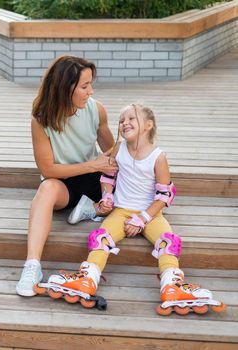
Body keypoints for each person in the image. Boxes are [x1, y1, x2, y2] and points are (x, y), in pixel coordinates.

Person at [38, 104, 226, 315]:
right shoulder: (118, 149)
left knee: (169, 241)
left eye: (131, 118)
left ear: (148, 125)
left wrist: (142, 219)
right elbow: (108, 175)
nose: (124, 123)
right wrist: (107, 196)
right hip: (120, 210)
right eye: (121, 120)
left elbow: (164, 195)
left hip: (150, 213)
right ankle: (88, 279)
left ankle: (171, 285)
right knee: (100, 237)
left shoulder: (158, 157)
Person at [15, 56, 117, 297]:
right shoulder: (41, 119)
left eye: (91, 84)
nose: (90, 92)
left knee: (135, 188)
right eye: (84, 86)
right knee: (46, 188)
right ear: (65, 88)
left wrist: (132, 137)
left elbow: (112, 153)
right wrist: (93, 165)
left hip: (94, 180)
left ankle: (91, 207)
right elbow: (48, 169)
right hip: (63, 182)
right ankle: (32, 266)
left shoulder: (96, 109)